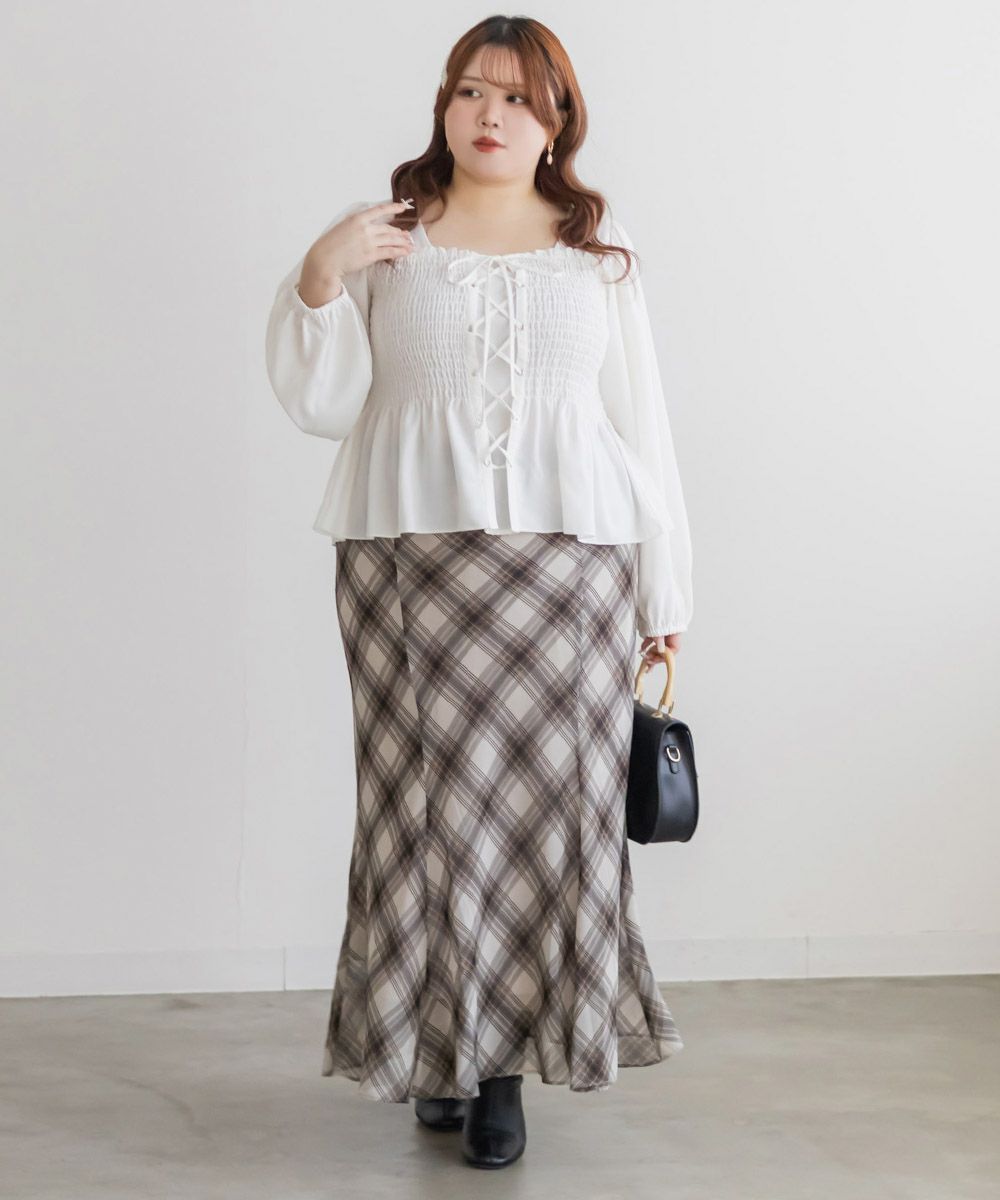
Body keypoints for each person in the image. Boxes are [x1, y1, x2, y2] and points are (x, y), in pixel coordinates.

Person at [264, 15, 693, 1171]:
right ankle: (436, 1055)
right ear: (442, 108)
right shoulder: (388, 236)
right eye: (468, 91)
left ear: (556, 122)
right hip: (407, 559)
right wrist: (320, 273)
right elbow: (321, 403)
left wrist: (667, 590)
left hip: (572, 567)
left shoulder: (596, 248)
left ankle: (501, 1073)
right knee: (423, 816)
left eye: (515, 97)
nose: (488, 114)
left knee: (548, 817)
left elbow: (640, 424)